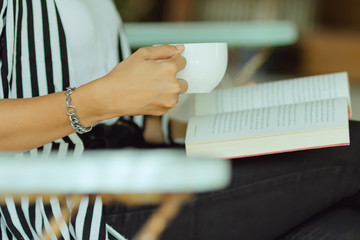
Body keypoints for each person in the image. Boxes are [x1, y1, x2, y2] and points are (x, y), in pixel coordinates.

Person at [0, 0, 359, 240]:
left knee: (341, 225)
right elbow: (102, 100)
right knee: (352, 145)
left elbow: (126, 119)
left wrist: (241, 122)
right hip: (67, 203)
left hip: (136, 155)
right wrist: (102, 100)